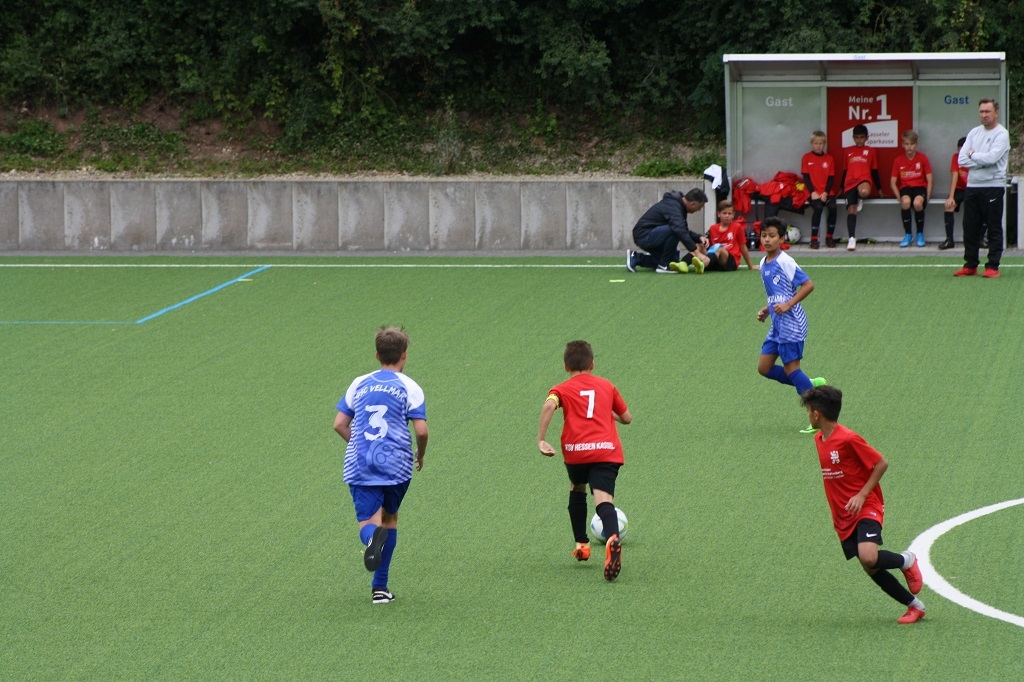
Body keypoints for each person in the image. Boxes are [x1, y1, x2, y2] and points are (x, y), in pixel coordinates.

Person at [800, 385, 926, 625]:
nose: (808, 415)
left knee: (868, 557)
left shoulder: (848, 438)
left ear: (817, 414)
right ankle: (915, 606)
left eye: (808, 411)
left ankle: (907, 560)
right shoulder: (819, 439)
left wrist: (861, 495)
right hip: (843, 515)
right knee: (870, 567)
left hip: (866, 505)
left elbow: (881, 463)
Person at [333, 326, 428, 605]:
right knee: (389, 520)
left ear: (377, 355)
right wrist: (420, 454)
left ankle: (371, 539)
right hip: (397, 465)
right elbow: (421, 431)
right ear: (404, 355)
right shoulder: (410, 387)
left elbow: (339, 424)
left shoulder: (359, 383)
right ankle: (380, 588)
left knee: (369, 523)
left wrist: (358, 445)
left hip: (362, 464)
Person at [537, 340, 632, 581]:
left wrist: (541, 439)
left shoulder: (560, 389)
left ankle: (582, 545)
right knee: (604, 500)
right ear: (592, 364)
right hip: (606, 450)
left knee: (577, 487)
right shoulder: (607, 386)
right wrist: (608, 413)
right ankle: (613, 538)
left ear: (565, 366)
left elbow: (548, 407)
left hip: (576, 451)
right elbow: (627, 418)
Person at [755, 217, 824, 433]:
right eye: (764, 236)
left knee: (792, 370)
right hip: (777, 326)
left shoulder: (785, 261)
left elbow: (808, 285)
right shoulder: (763, 263)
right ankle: (806, 383)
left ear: (781, 239)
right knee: (764, 368)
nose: (767, 240)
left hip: (792, 325)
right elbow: (777, 294)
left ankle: (818, 416)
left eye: (772, 236)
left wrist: (788, 305)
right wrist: (768, 309)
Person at [954, 98, 1011, 278]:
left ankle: (993, 266)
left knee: (993, 227)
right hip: (972, 186)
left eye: (987, 111)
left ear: (996, 113)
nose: (984, 115)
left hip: (993, 186)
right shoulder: (974, 133)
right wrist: (980, 160)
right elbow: (961, 159)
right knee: (970, 227)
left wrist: (973, 156)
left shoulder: (1001, 134)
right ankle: (970, 265)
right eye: (981, 112)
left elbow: (992, 158)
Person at [627, 188, 710, 274]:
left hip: (652, 235)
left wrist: (699, 237)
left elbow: (683, 230)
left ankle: (636, 258)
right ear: (692, 204)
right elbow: (679, 230)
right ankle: (664, 265)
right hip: (643, 236)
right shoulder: (673, 206)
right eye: (699, 207)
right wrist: (697, 253)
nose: (699, 210)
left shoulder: (679, 206)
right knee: (675, 230)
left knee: (673, 262)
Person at [838, 124, 882, 251]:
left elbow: (874, 171)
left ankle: (859, 197)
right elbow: (845, 170)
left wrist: (880, 190)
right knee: (851, 210)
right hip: (849, 183)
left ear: (866, 138)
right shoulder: (847, 151)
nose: (859, 140)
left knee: (864, 192)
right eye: (857, 137)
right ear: (853, 138)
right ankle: (852, 238)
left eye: (862, 137)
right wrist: (841, 188)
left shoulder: (871, 151)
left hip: (864, 181)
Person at [889, 130, 933, 248]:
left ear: (916, 144)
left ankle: (920, 234)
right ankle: (908, 234)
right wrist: (899, 198)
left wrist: (927, 198)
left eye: (912, 144)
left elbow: (930, 179)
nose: (909, 147)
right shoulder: (898, 160)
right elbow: (892, 182)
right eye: (907, 144)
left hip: (920, 188)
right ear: (902, 144)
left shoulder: (922, 158)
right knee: (906, 202)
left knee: (917, 203)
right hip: (906, 188)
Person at [801, 131, 837, 249]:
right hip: (812, 192)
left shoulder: (829, 158)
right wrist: (813, 192)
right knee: (818, 207)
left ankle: (829, 237)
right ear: (812, 143)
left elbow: (831, 178)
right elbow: (806, 177)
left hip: (826, 192)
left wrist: (826, 192)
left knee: (833, 207)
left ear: (824, 144)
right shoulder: (806, 157)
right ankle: (813, 239)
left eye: (821, 143)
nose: (818, 146)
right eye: (816, 143)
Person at [705, 200, 757, 271]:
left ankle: (705, 263)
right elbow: (708, 245)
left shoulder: (737, 227)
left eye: (729, 213)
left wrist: (750, 266)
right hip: (717, 260)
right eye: (724, 213)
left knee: (719, 249)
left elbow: (743, 246)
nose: (727, 216)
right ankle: (691, 263)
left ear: (733, 215)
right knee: (698, 246)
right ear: (719, 214)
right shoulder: (712, 228)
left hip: (731, 261)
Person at [941, 136, 968, 250]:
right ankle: (949, 240)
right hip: (959, 189)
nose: (961, 154)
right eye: (959, 151)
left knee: (973, 209)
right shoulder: (955, 157)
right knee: (949, 206)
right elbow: (954, 177)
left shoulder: (975, 157)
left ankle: (973, 239)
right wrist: (951, 197)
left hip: (971, 188)